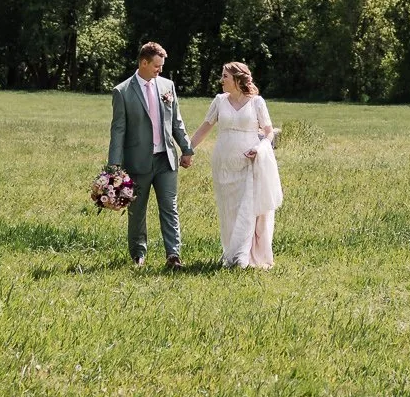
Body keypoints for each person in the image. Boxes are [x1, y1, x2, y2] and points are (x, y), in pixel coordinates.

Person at [188, 61, 282, 268]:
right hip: (223, 163)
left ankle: (241, 257)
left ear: (238, 79)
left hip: (249, 162)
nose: (221, 80)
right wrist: (188, 149)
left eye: (225, 76)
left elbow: (268, 132)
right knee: (229, 210)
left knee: (246, 207)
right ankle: (230, 251)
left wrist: (260, 148)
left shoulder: (257, 102)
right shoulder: (219, 101)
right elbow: (204, 128)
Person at [107, 42, 193, 268]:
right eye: (156, 66)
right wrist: (113, 168)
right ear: (143, 63)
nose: (160, 70)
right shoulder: (122, 91)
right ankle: (138, 255)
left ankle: (173, 256)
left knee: (170, 208)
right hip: (138, 162)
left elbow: (176, 121)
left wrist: (186, 148)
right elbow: (118, 131)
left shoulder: (167, 86)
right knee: (137, 211)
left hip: (166, 160)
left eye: (161, 66)